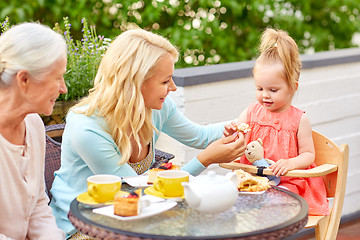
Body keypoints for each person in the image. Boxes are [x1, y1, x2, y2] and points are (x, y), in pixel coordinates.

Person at [49, 28, 246, 239]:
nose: (173, 87)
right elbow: (137, 194)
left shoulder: (156, 107)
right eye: (165, 81)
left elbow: (201, 137)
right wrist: (204, 160)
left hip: (130, 216)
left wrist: (249, 120)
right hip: (82, 225)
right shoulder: (87, 126)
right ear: (136, 83)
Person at [224, 28, 329, 216]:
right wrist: (231, 133)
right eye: (259, 88)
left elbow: (308, 155)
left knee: (275, 205)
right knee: (227, 200)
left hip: (287, 182)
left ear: (292, 87)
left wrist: (291, 163)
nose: (265, 95)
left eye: (273, 90)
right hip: (251, 178)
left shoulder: (299, 120)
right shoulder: (250, 113)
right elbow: (237, 142)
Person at [0, 22, 67, 239]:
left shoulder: (33, 124)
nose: (63, 88)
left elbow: (37, 205)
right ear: (24, 79)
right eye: (57, 77)